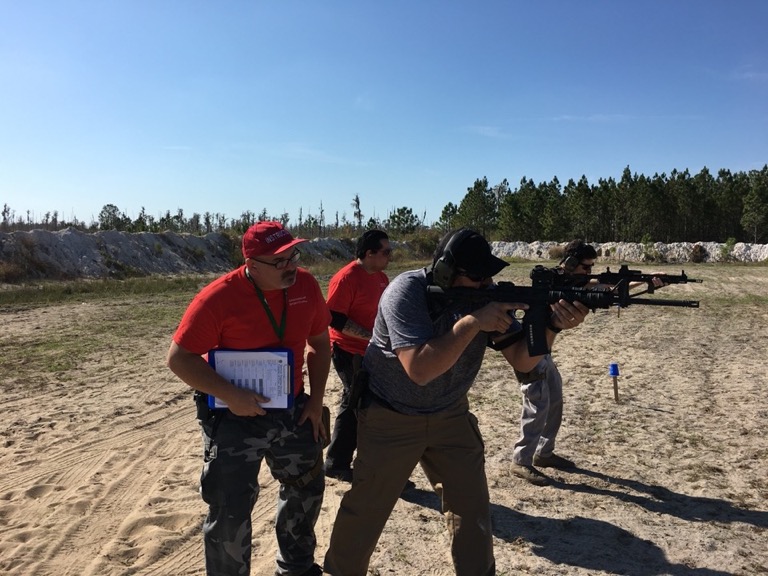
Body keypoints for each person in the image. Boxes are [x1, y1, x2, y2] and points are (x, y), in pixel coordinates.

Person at [323, 228, 589, 576]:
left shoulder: (484, 297)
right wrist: (473, 322)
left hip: (451, 414)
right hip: (391, 416)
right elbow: (420, 368)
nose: (484, 285)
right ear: (446, 271)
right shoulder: (405, 292)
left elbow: (523, 361)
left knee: (473, 510)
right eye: (476, 276)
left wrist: (552, 325)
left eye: (488, 276)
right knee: (366, 511)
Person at [166, 221, 331, 576]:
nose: (292, 266)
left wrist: (316, 402)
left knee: (306, 489)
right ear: (252, 265)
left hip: (293, 409)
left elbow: (320, 343)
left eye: (293, 256)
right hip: (235, 415)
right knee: (229, 507)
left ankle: (296, 569)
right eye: (280, 261)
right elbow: (179, 358)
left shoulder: (305, 286)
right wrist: (231, 395)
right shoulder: (218, 297)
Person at [509, 239, 665, 486]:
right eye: (585, 266)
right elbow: (596, 285)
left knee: (555, 396)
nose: (590, 272)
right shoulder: (552, 279)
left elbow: (602, 286)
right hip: (530, 348)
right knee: (537, 401)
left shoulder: (574, 280)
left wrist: (644, 281)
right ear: (570, 263)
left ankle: (543, 453)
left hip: (544, 350)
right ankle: (521, 460)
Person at [324, 229, 391, 481]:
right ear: (369, 253)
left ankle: (340, 461)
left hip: (371, 350)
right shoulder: (347, 278)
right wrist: (372, 336)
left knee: (358, 403)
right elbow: (335, 319)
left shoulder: (382, 278)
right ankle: (342, 462)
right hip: (347, 350)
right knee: (357, 404)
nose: (389, 256)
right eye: (385, 252)